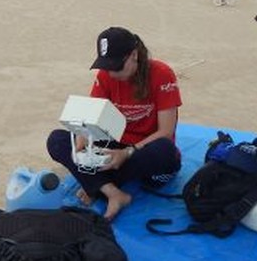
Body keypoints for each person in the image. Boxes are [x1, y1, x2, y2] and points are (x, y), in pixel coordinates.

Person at [47, 26, 182, 221]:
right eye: (106, 65)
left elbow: (166, 132)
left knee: (164, 151)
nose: (111, 73)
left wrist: (127, 153)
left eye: (116, 66)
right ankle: (112, 192)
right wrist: (81, 137)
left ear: (134, 55)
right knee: (57, 140)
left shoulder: (162, 74)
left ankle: (97, 184)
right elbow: (90, 115)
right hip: (115, 145)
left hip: (144, 150)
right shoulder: (105, 76)